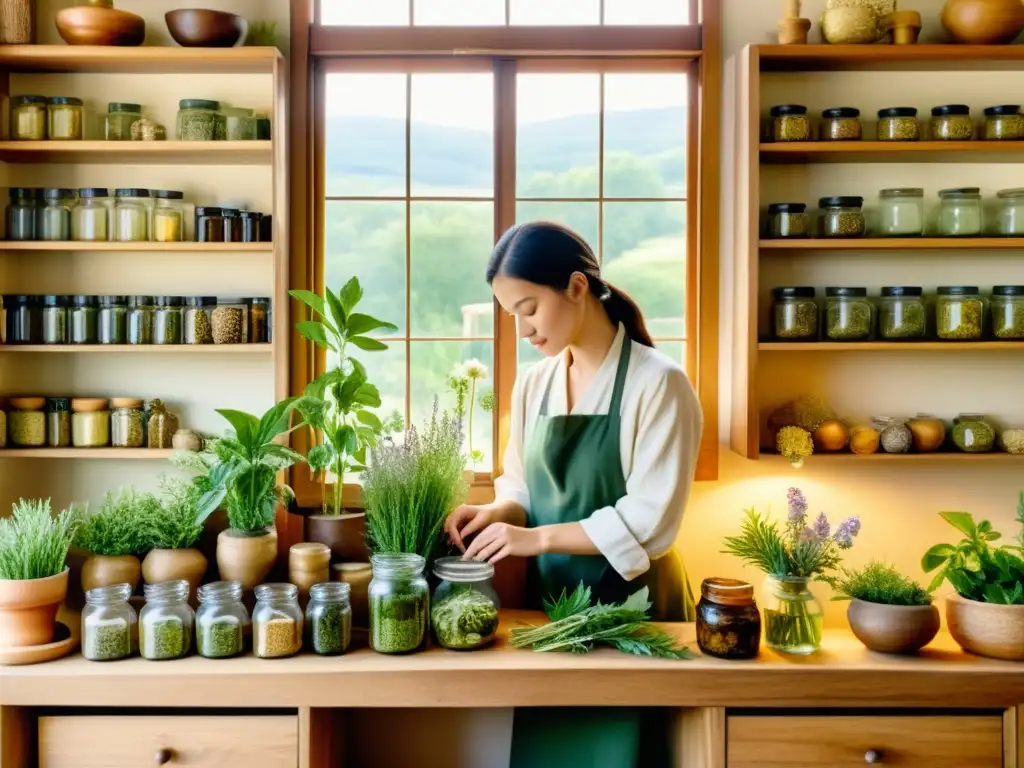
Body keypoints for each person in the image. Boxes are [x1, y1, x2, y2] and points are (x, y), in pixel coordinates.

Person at [443, 221, 704, 768]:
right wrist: (496, 512)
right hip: (558, 613)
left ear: (577, 288)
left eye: (529, 308)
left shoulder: (659, 383)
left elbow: (651, 521)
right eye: (512, 314)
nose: (521, 329)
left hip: (637, 611)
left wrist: (533, 538)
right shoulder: (534, 384)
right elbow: (520, 482)